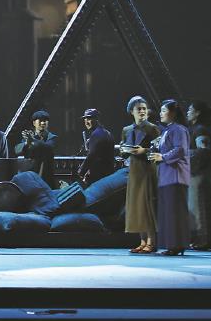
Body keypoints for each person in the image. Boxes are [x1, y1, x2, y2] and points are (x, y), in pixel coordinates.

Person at [149, 100, 191, 255]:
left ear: (172, 113)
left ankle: (176, 245)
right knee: (168, 211)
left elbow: (180, 149)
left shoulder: (178, 129)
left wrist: (163, 157)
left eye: (163, 110)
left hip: (175, 176)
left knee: (174, 212)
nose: (160, 113)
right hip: (167, 176)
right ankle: (172, 245)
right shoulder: (168, 130)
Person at [121, 95, 160, 254]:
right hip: (134, 170)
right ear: (132, 112)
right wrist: (124, 150)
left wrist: (144, 150)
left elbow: (160, 149)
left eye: (144, 108)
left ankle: (151, 241)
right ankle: (142, 241)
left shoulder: (153, 129)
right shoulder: (127, 130)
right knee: (136, 206)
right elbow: (123, 151)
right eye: (139, 109)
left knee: (147, 205)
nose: (142, 111)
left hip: (147, 169)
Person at [187, 100, 211, 250]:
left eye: (190, 109)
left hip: (199, 173)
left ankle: (203, 240)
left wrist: (186, 154)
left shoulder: (200, 130)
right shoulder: (196, 128)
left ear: (197, 113)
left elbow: (204, 150)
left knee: (198, 207)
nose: (188, 112)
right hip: (197, 172)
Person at [16, 110, 58, 187]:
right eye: (40, 121)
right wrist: (26, 143)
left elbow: (48, 147)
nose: (43, 123)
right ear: (34, 123)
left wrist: (32, 140)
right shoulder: (29, 137)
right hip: (31, 176)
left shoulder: (52, 137)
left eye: (45, 121)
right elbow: (17, 151)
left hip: (47, 176)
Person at [77, 108, 115, 186]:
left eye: (89, 118)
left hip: (99, 176)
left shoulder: (96, 134)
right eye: (85, 119)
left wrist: (81, 171)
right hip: (108, 174)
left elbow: (91, 155)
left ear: (96, 119)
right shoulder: (107, 133)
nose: (86, 122)